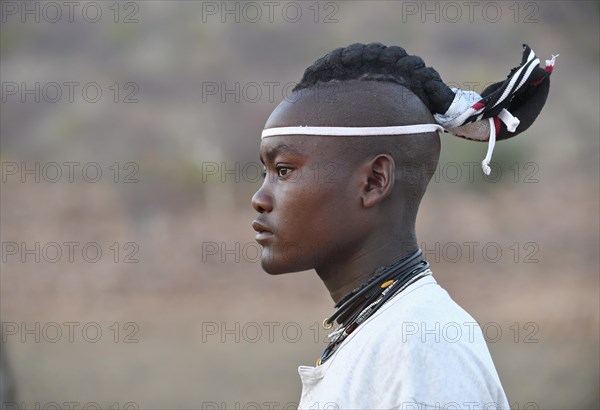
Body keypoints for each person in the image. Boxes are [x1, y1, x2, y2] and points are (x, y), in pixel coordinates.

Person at [251, 43, 555, 409]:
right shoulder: (382, 331)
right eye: (266, 173)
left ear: (374, 181)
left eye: (283, 170)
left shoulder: (420, 345)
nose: (260, 198)